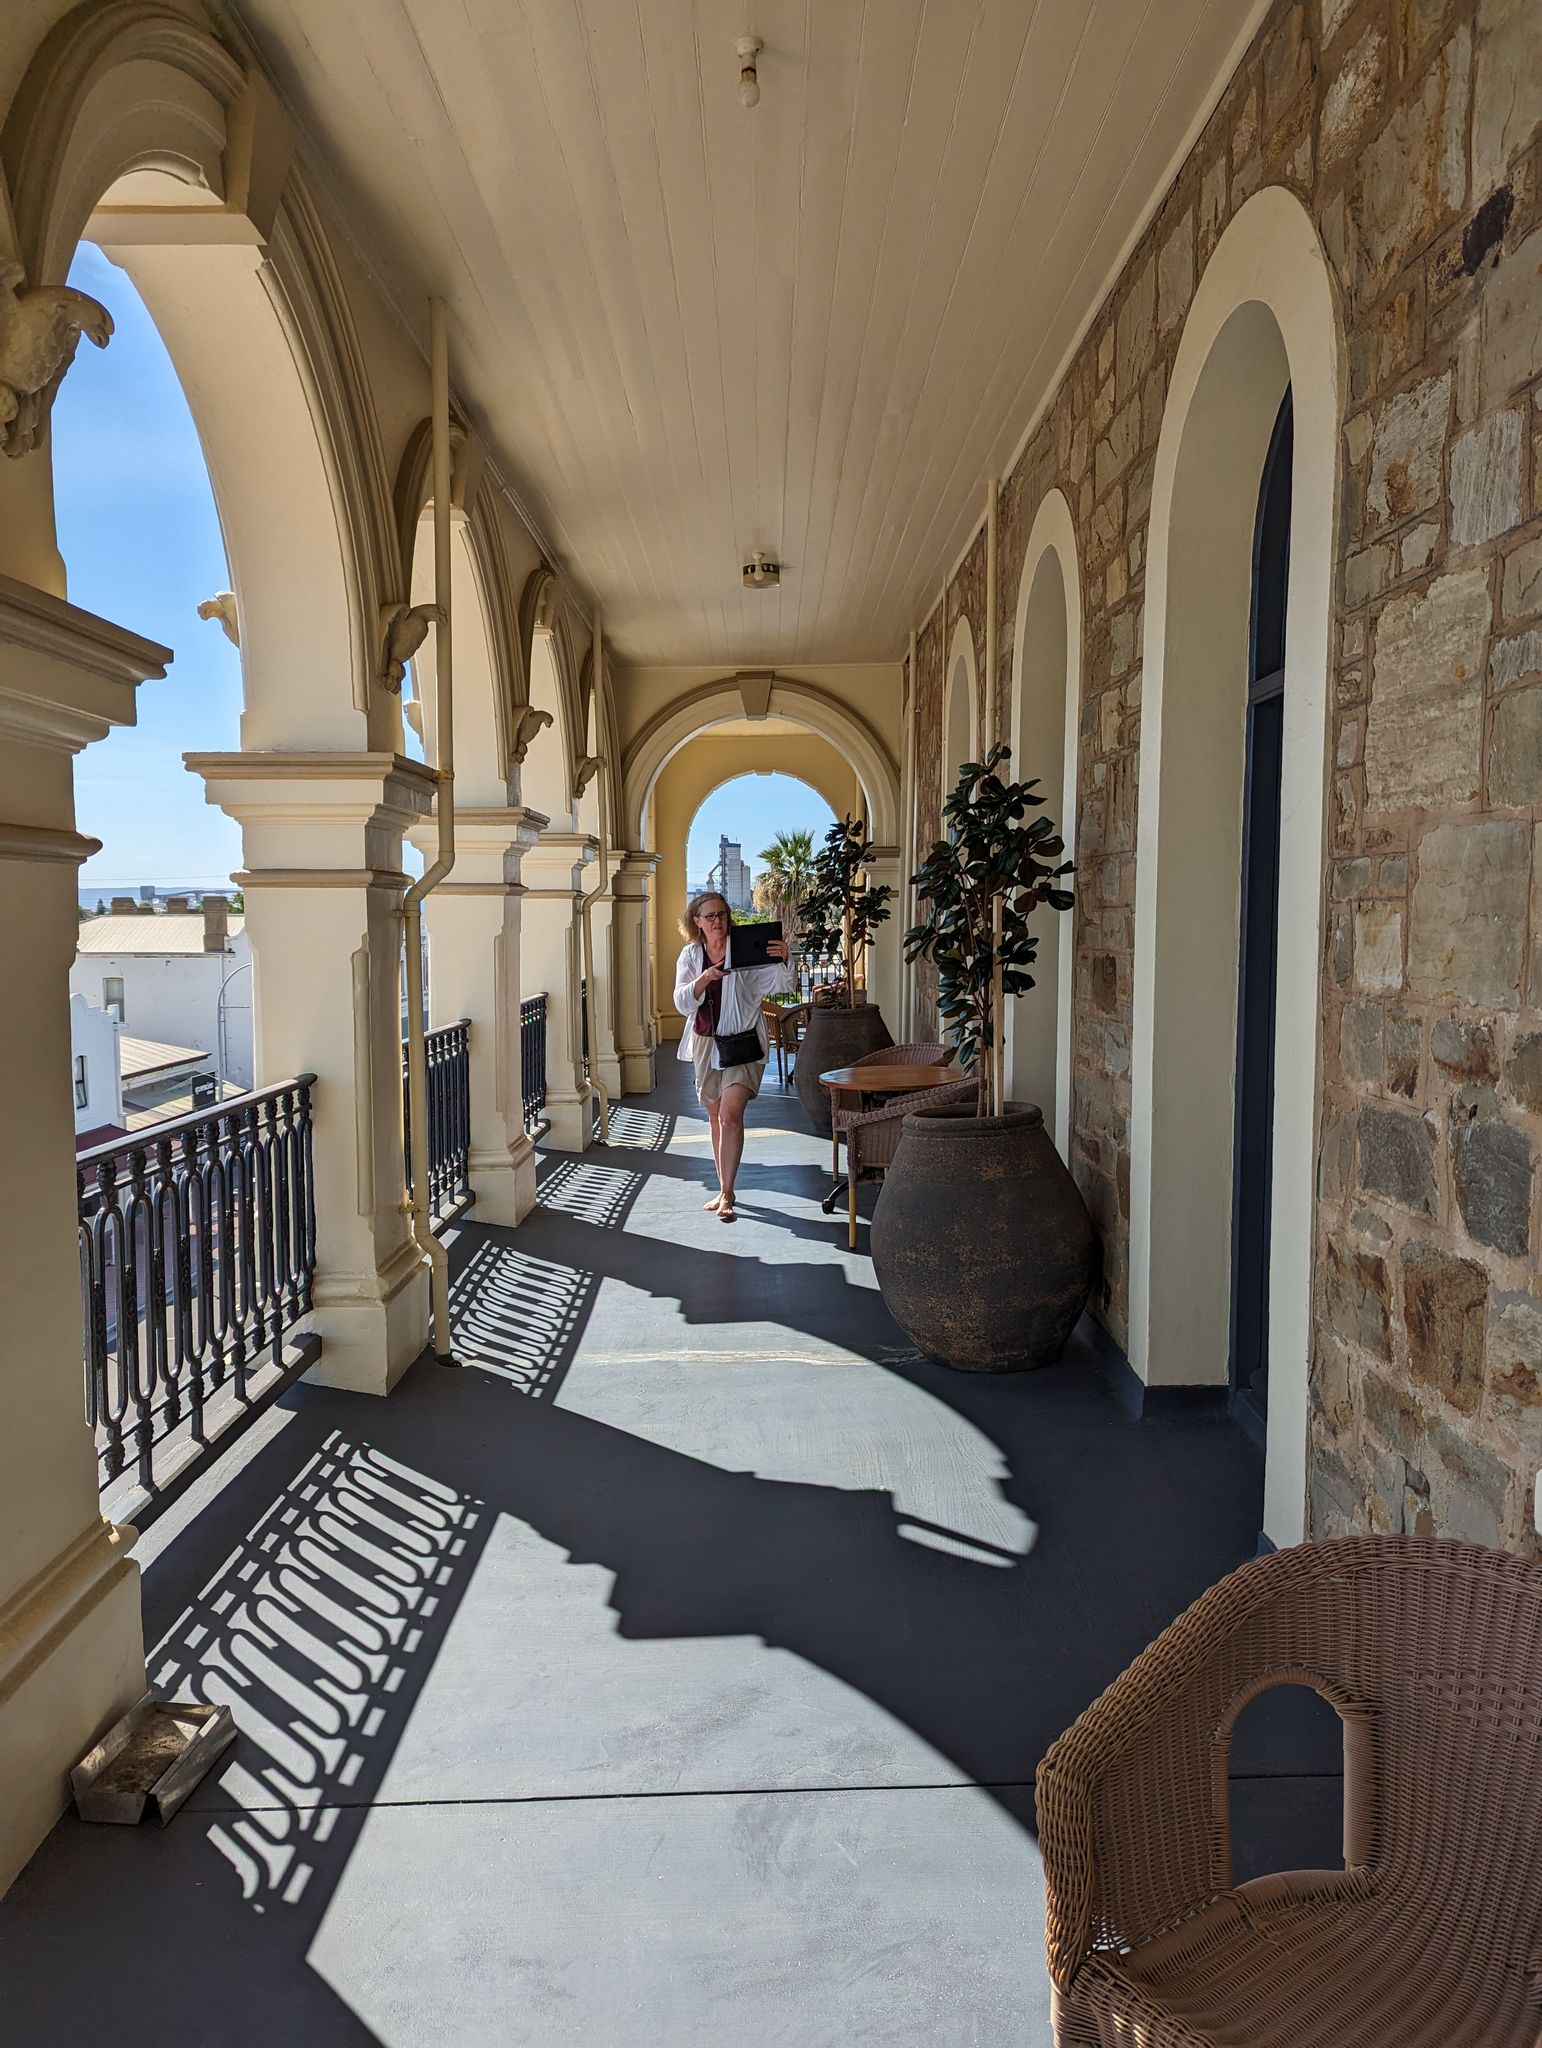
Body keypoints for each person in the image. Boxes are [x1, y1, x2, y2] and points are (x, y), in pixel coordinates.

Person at [674, 892, 791, 1221]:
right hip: (706, 1044)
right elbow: (682, 1002)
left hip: (743, 1043)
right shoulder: (691, 956)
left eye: (721, 915)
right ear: (696, 921)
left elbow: (780, 984)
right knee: (714, 1116)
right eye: (709, 916)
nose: (716, 922)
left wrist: (784, 958)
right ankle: (724, 1186)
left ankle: (727, 1193)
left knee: (729, 1114)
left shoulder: (743, 949)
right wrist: (705, 978)